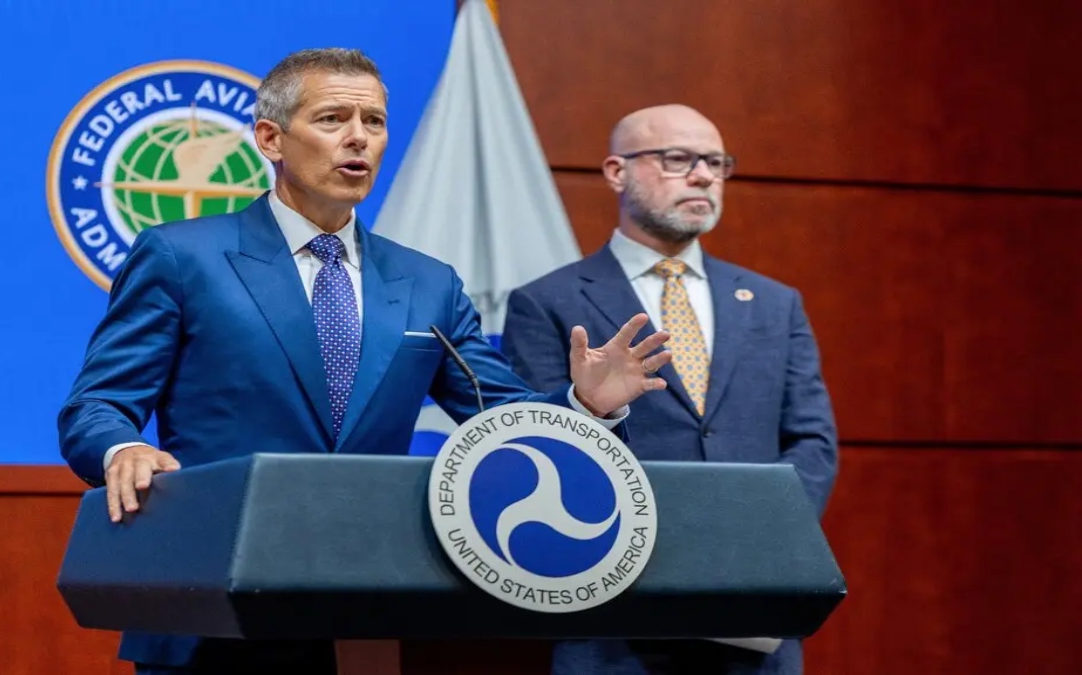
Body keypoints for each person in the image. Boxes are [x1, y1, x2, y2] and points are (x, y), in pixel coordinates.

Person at [57, 48, 674, 675]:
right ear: (271, 138)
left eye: (374, 122)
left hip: (365, 598)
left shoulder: (426, 282)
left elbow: (502, 416)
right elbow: (96, 405)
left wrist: (585, 404)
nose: (358, 138)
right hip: (214, 596)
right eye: (332, 119)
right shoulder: (184, 256)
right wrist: (121, 450)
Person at [500, 104, 839, 675]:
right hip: (617, 616)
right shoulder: (548, 302)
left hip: (752, 614)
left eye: (715, 162)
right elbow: (535, 449)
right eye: (678, 159)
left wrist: (753, 548)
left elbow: (812, 442)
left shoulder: (774, 303)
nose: (704, 176)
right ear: (616, 172)